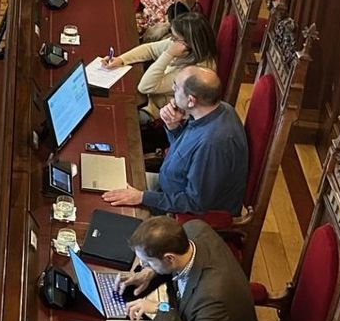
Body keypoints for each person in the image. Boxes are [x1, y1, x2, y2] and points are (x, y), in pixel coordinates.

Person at [118, 216, 265, 321]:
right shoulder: (193, 229)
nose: (143, 265)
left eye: (148, 262)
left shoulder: (212, 297)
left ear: (169, 259)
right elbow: (169, 264)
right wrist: (150, 271)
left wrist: (160, 309)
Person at [103, 66, 248, 215]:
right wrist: (172, 126)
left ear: (191, 100)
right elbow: (186, 155)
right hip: (166, 188)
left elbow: (195, 203)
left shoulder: (213, 145)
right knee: (107, 180)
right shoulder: (218, 109)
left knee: (106, 206)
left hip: (177, 210)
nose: (172, 89)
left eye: (176, 87)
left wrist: (142, 197)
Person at [101, 12, 219, 111]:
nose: (171, 40)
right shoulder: (180, 44)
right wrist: (121, 59)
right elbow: (150, 49)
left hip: (158, 110)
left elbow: (145, 87)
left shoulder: (193, 72)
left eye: (175, 38)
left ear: (189, 43)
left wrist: (168, 54)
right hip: (150, 96)